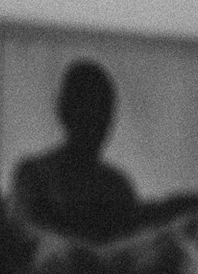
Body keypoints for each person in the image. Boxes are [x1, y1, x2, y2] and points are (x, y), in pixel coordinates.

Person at [8, 58, 146, 247]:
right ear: (65, 110)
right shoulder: (34, 176)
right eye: (87, 107)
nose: (97, 120)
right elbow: (27, 240)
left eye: (103, 109)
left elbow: (133, 248)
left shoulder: (118, 187)